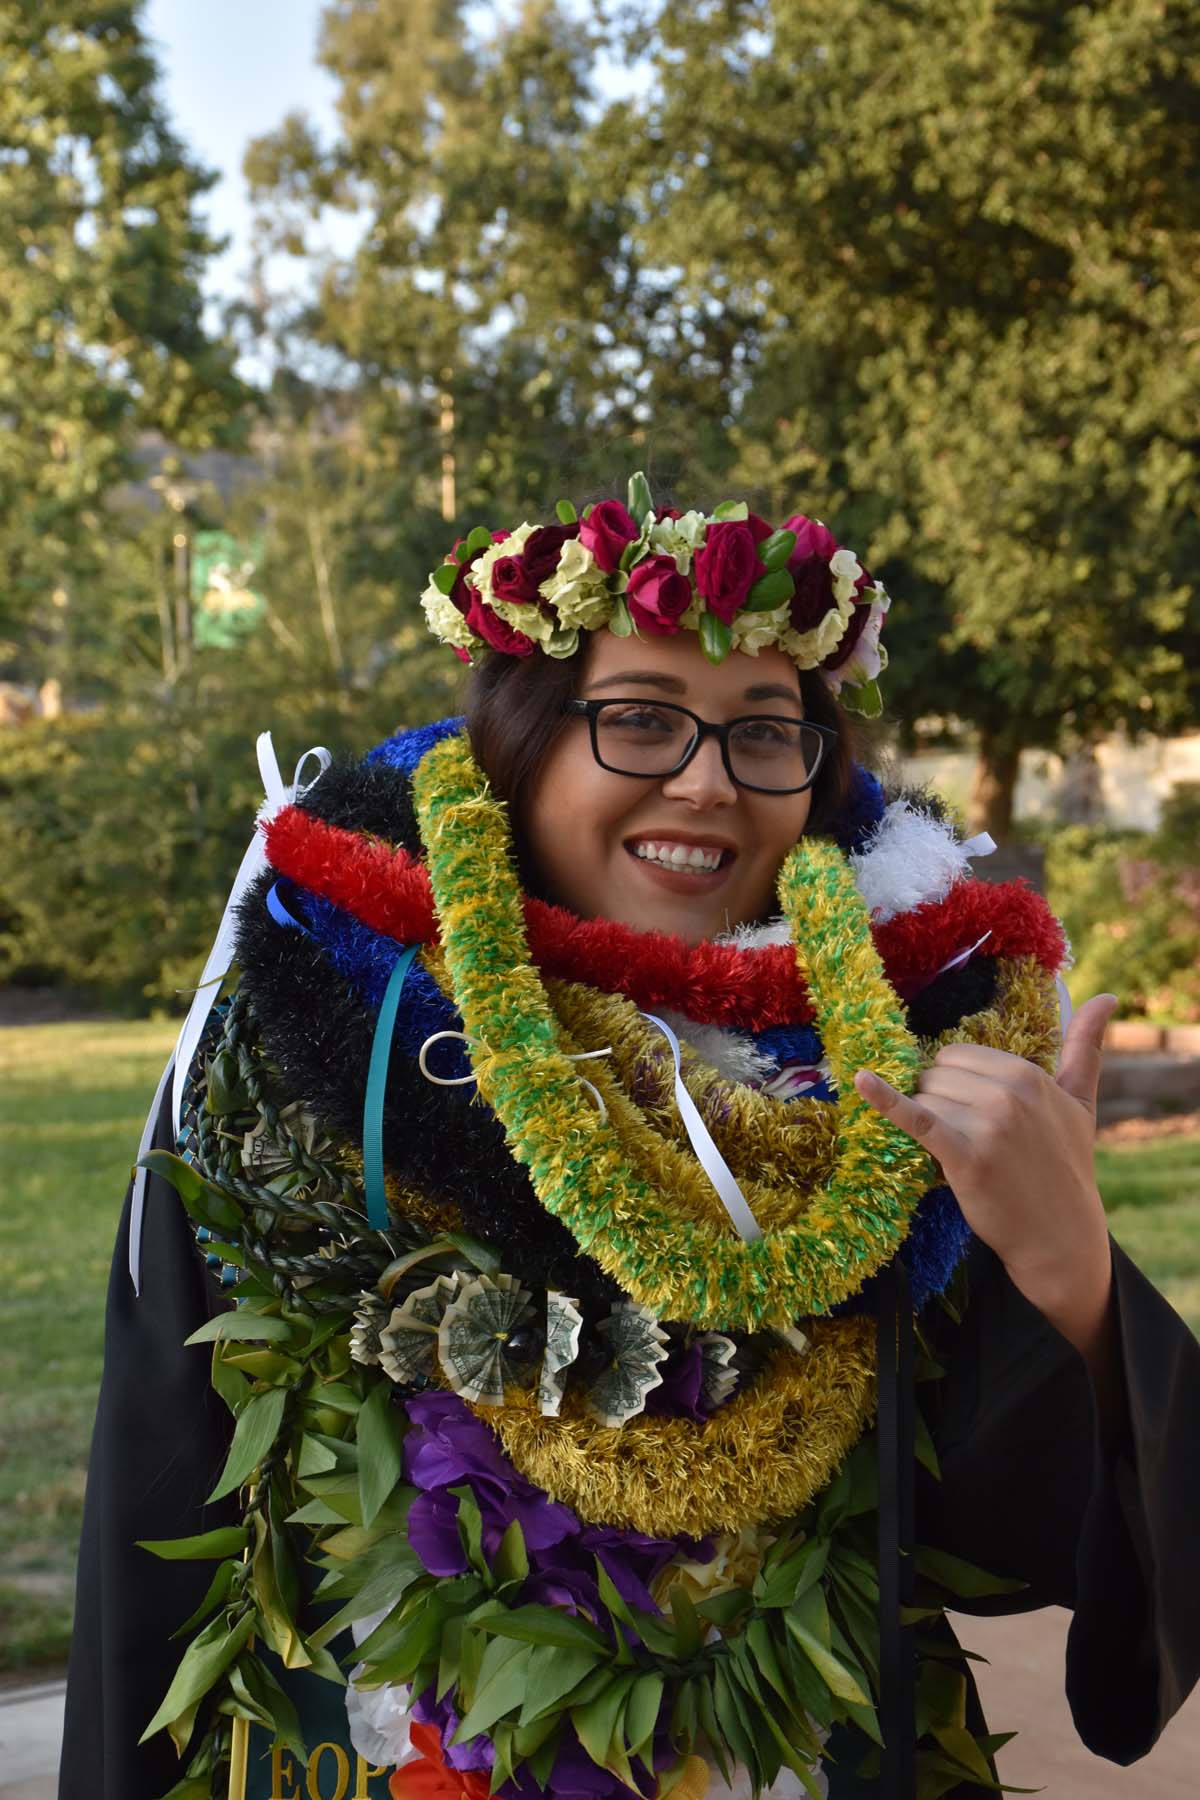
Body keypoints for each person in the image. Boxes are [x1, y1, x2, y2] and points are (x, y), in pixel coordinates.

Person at [61, 475, 1200, 1800]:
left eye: (766, 736)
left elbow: (1022, 1540)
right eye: (643, 723)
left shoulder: (890, 1084)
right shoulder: (318, 1064)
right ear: (522, 749)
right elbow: (154, 1527)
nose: (710, 783)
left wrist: (1073, 1278)